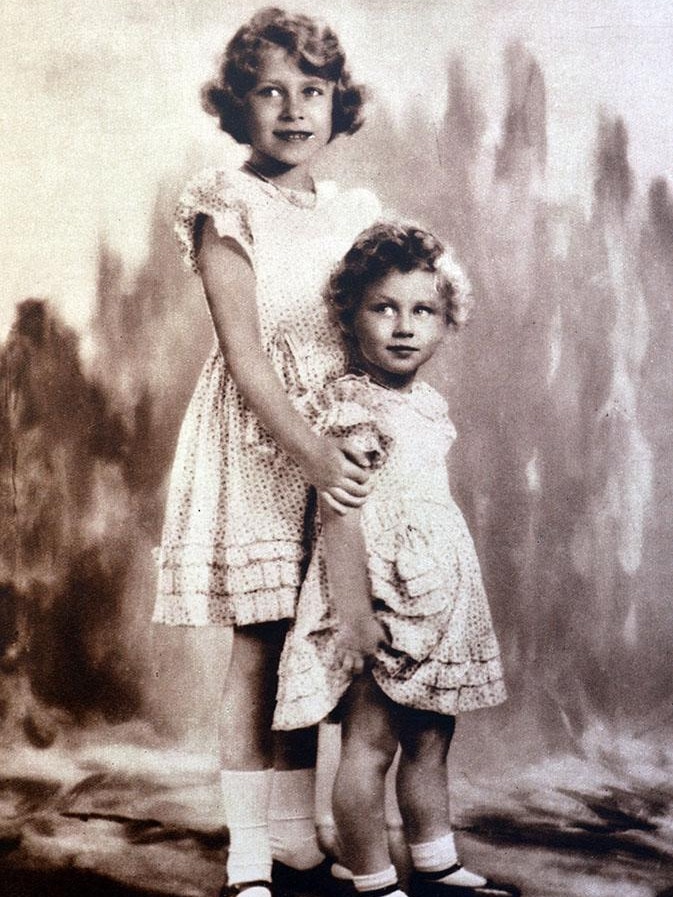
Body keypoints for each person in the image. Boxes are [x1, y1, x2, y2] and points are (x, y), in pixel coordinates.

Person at [152, 9, 382, 897]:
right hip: (261, 438)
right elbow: (246, 356)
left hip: (337, 431)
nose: (293, 111)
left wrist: (360, 438)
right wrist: (312, 450)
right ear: (236, 107)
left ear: (336, 103)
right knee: (261, 639)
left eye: (311, 92)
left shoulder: (353, 211)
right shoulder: (225, 203)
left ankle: (296, 837)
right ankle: (248, 850)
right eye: (269, 92)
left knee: (315, 640)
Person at [274, 222, 519, 897]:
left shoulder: (426, 404)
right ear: (351, 315)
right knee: (370, 746)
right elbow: (340, 512)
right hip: (381, 601)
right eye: (383, 307)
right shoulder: (353, 408)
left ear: (445, 322)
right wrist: (354, 615)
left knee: (431, 740)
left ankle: (435, 862)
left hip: (436, 599)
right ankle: (373, 878)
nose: (404, 326)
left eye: (423, 311)